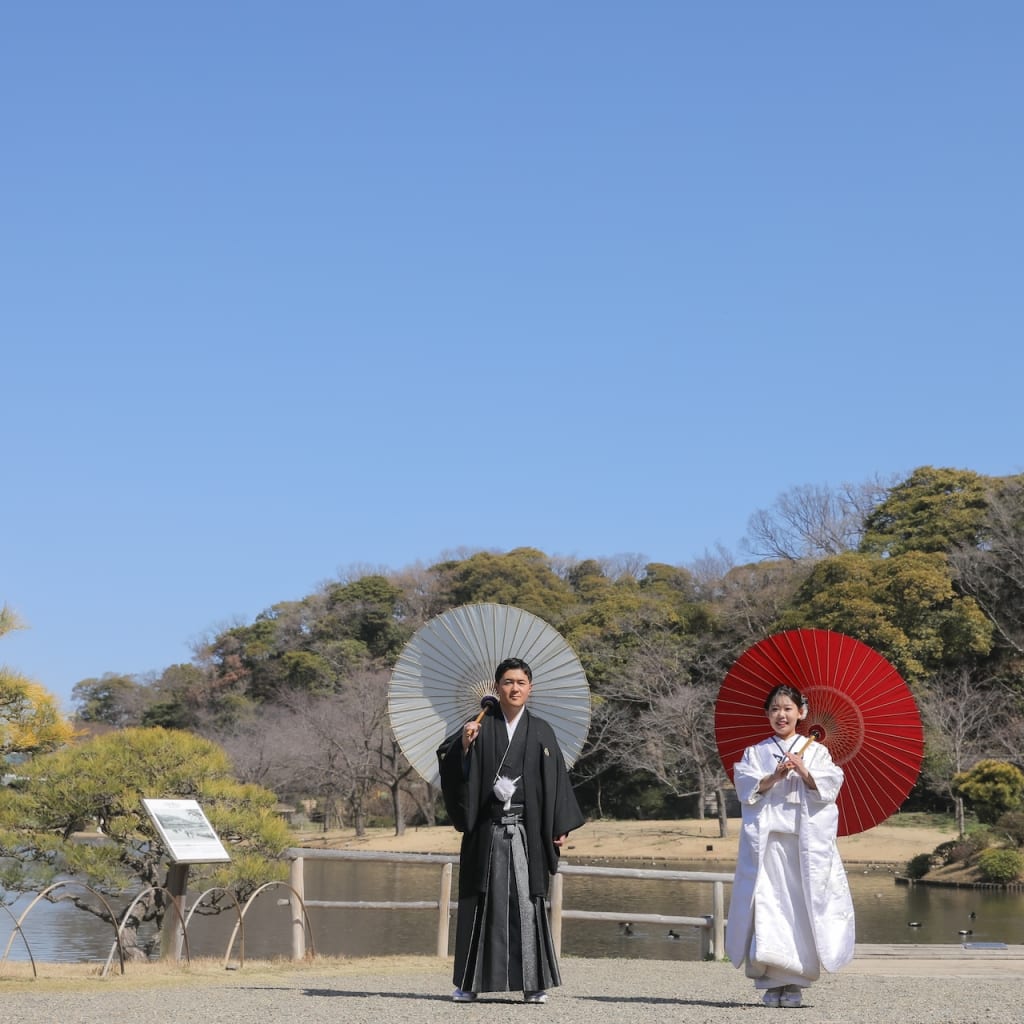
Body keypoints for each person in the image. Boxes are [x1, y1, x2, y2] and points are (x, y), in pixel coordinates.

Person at [437, 657, 585, 1004]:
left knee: (527, 903)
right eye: (507, 682)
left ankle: (533, 983)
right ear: (496, 687)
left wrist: (559, 825)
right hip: (487, 829)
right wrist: (464, 746)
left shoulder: (541, 730)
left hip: (526, 831)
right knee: (482, 901)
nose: (514, 688)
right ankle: (469, 983)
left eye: (520, 682)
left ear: (530, 688)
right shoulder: (478, 727)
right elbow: (450, 765)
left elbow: (557, 782)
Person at [724, 683, 855, 1008]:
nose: (781, 715)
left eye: (787, 709)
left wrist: (804, 770)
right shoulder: (756, 752)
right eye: (774, 709)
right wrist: (774, 776)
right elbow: (745, 788)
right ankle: (771, 981)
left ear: (802, 712)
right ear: (767, 714)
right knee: (768, 907)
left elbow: (830, 787)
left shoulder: (816, 751)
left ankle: (795, 982)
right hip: (768, 847)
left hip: (802, 847)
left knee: (799, 909)